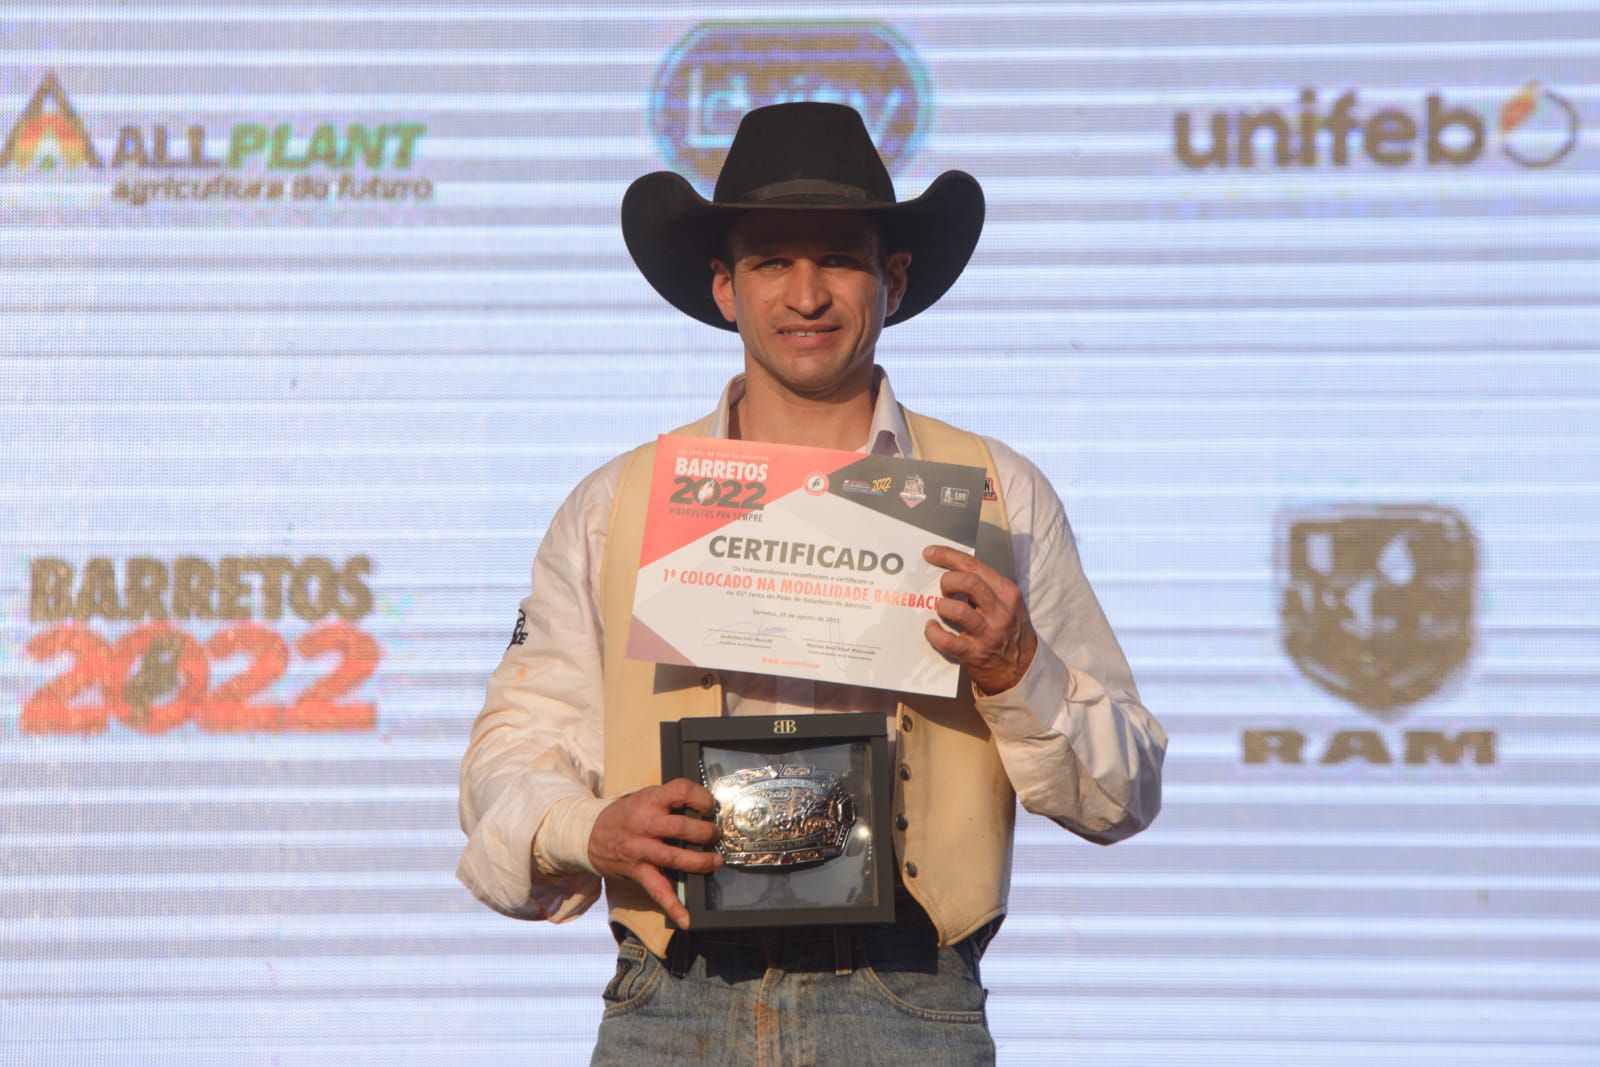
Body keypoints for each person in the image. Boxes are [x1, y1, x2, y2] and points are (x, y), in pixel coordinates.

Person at [457, 102, 1167, 1065]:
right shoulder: (614, 504)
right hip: (675, 995)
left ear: (893, 277)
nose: (806, 294)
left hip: (908, 996)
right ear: (724, 287)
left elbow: (1124, 791)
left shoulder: (1000, 497)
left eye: (838, 258)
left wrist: (1015, 665)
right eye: (770, 262)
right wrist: (593, 828)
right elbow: (511, 756)